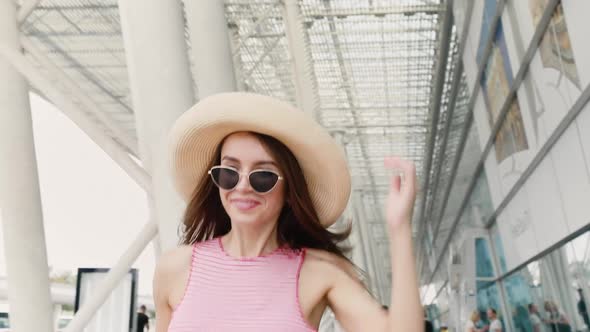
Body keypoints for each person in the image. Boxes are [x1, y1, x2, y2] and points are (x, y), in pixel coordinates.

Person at [153, 92, 422, 331]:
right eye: (229, 173)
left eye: (263, 176)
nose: (243, 186)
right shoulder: (174, 269)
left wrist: (400, 229)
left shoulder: (318, 272)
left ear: (290, 191)